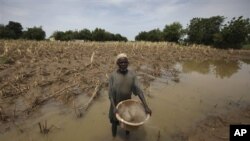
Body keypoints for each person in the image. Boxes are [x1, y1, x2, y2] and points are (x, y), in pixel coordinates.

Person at [108, 53, 152, 137]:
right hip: (115, 104)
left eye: (125, 62)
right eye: (121, 63)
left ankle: (127, 137)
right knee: (114, 123)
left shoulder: (132, 74)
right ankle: (113, 137)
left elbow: (139, 91)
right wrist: (114, 107)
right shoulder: (113, 76)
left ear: (128, 63)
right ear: (117, 63)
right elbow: (110, 94)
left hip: (127, 104)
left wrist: (146, 106)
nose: (123, 64)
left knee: (128, 122)